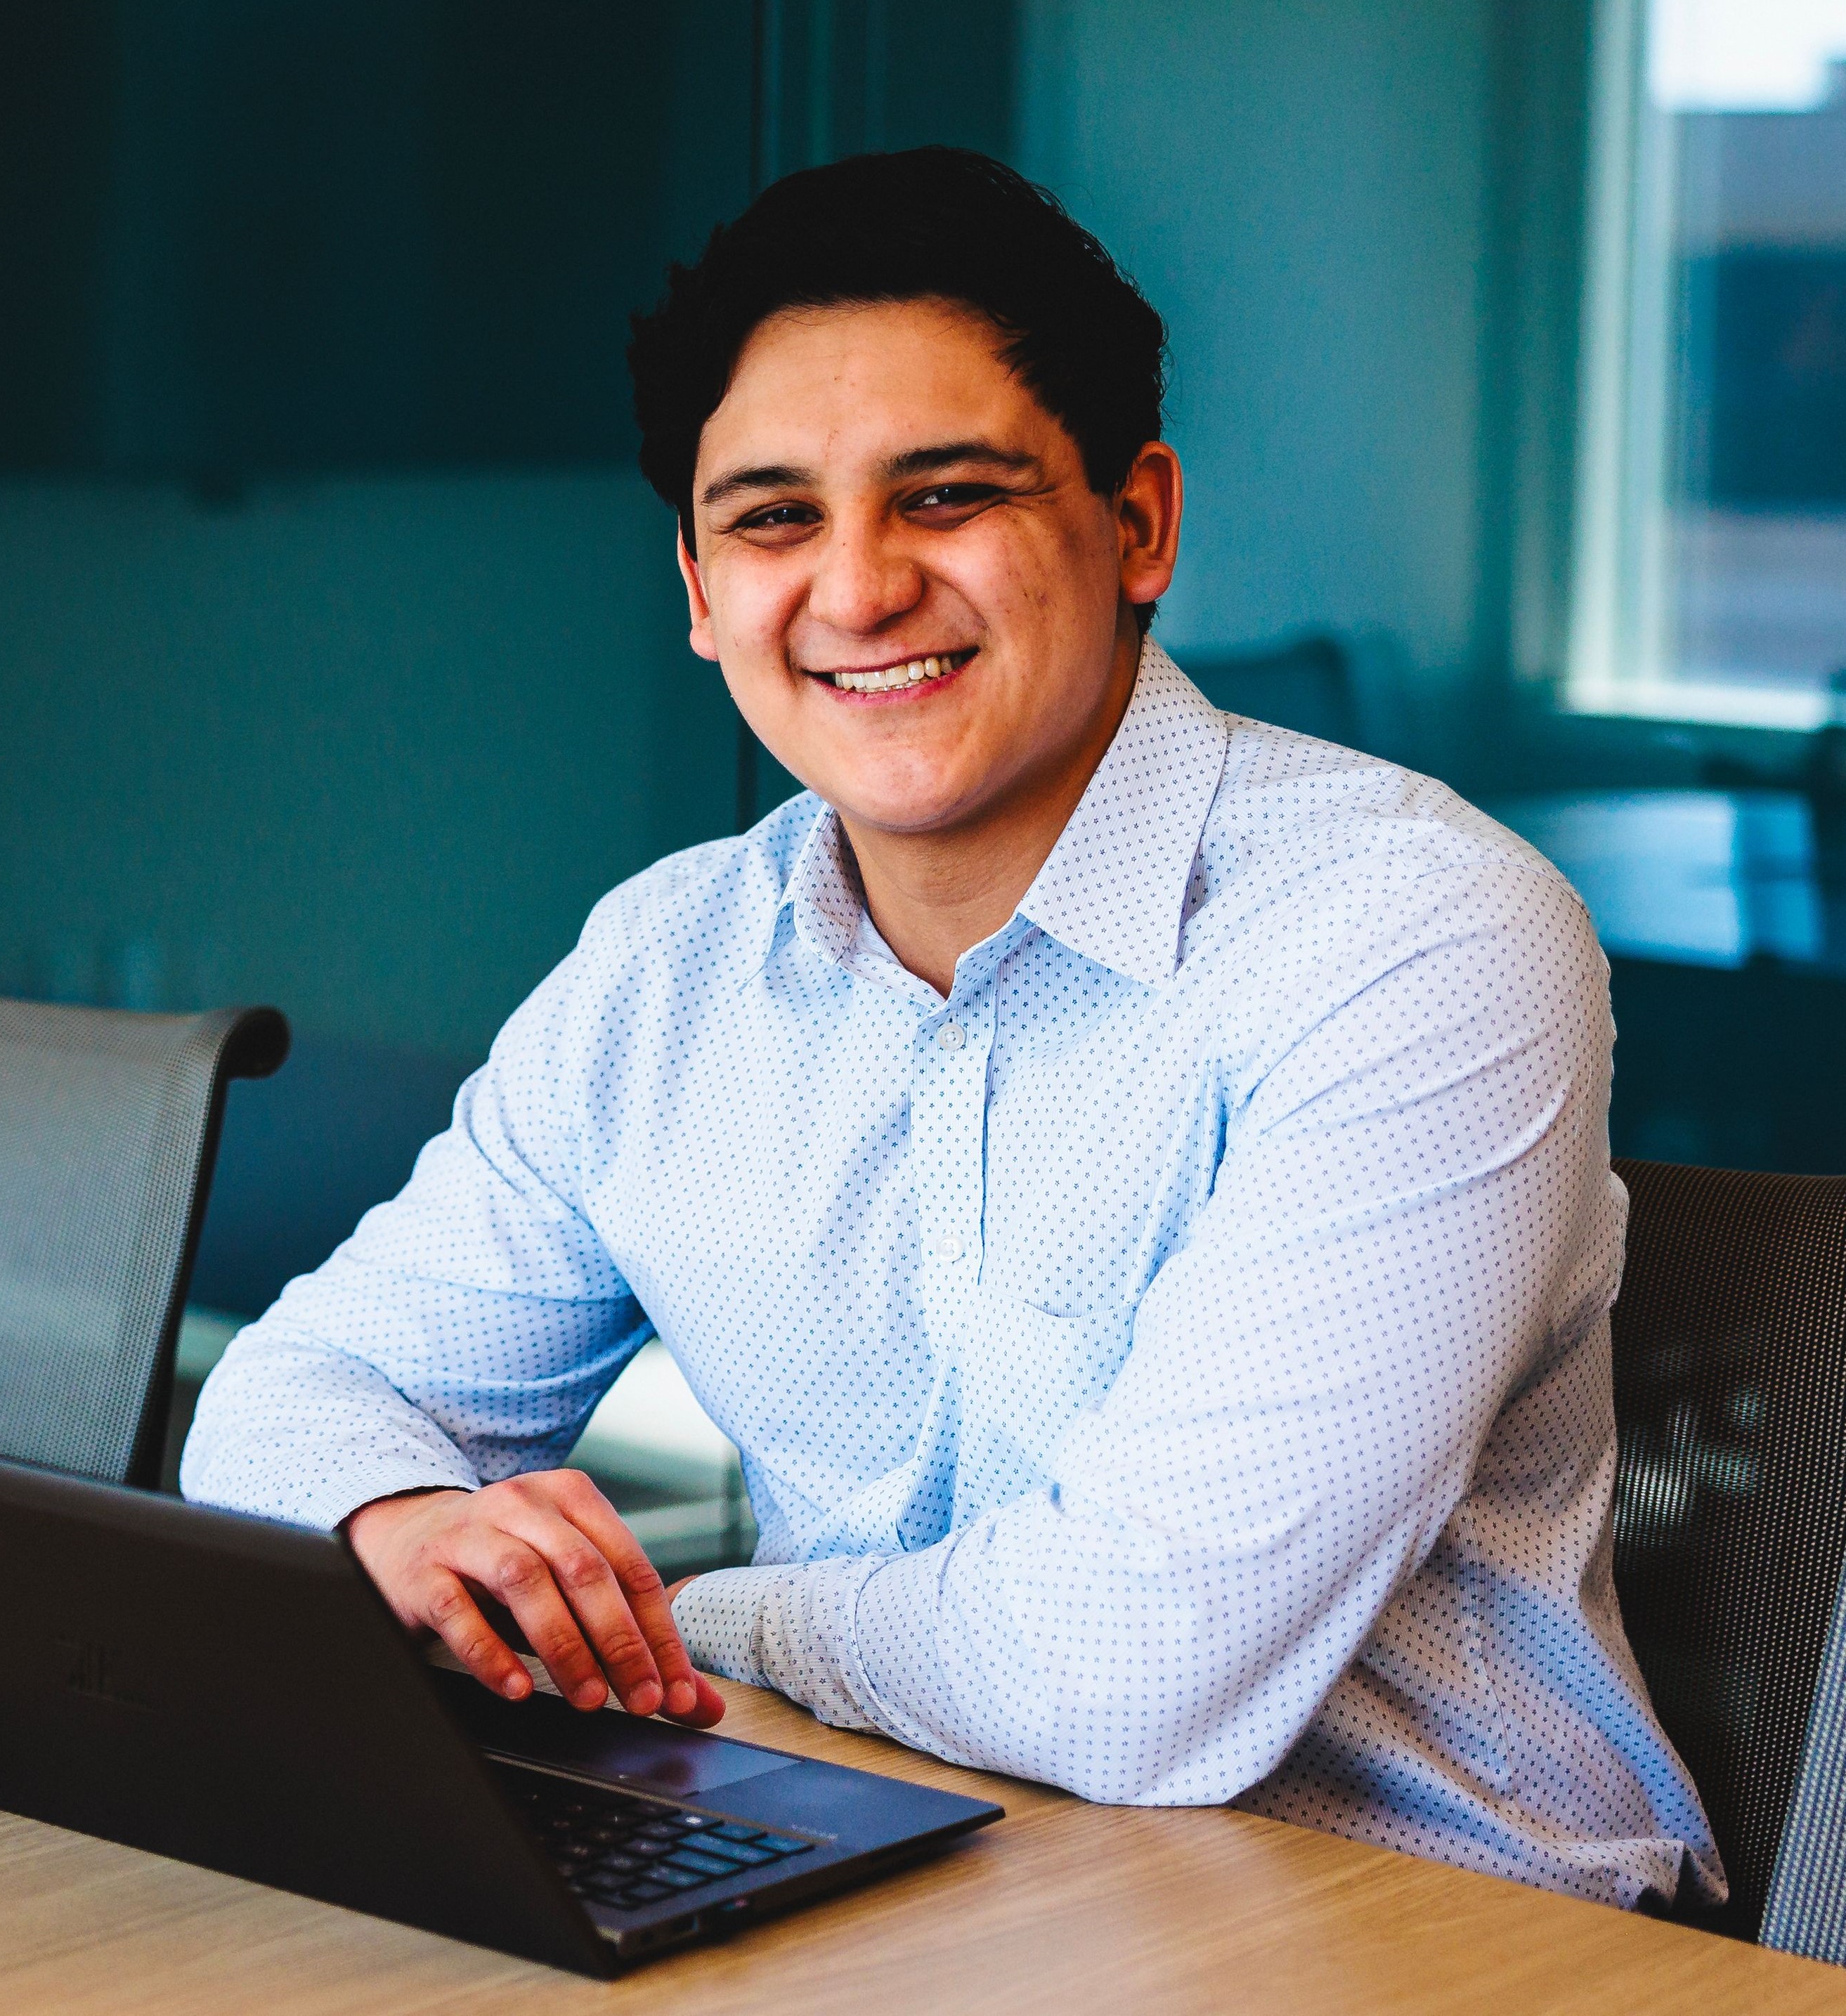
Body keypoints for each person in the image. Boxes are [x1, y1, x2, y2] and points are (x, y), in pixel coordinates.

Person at [182, 147, 1722, 1911]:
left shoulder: (1408, 935)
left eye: (947, 496)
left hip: (1434, 1925)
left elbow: (1133, 1661)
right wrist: (406, 1527)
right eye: (772, 518)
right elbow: (296, 1393)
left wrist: (686, 1623)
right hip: (889, 1869)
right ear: (697, 591)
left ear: (1136, 522)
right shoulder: (666, 966)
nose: (854, 590)